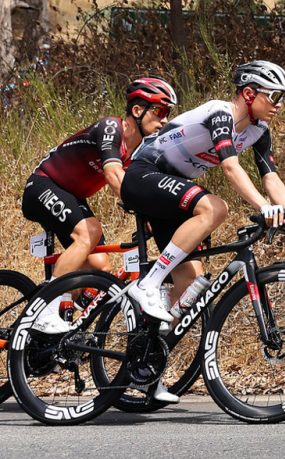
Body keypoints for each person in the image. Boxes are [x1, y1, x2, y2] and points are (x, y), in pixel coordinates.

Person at [121, 60, 285, 328]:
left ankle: (150, 350)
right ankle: (149, 284)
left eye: (283, 98)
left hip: (170, 189)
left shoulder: (258, 130)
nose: (280, 104)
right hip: (143, 175)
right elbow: (230, 166)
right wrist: (264, 207)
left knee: (190, 285)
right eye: (275, 96)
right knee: (215, 208)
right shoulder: (220, 113)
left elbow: (271, 178)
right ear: (250, 94)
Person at [21, 77, 178, 334]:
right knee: (89, 232)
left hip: (71, 195)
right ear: (137, 111)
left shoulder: (140, 150)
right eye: (160, 111)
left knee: (100, 266)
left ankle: (63, 318)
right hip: (42, 185)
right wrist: (145, 209)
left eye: (168, 113)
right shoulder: (110, 128)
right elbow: (115, 176)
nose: (164, 120)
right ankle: (45, 308)